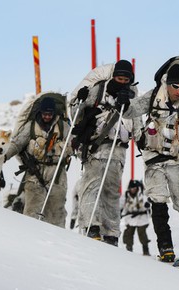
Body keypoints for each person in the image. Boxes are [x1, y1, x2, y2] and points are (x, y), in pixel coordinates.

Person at [117, 59, 179, 273]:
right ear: (168, 83)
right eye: (175, 87)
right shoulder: (154, 95)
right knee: (158, 200)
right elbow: (131, 111)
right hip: (154, 159)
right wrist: (124, 101)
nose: (178, 91)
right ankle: (165, 248)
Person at [71, 59, 142, 246]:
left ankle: (111, 233)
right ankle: (90, 226)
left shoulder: (134, 97)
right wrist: (80, 98)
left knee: (111, 191)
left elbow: (137, 123)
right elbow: (75, 114)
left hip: (118, 149)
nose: (123, 82)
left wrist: (142, 138)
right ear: (113, 76)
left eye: (126, 79)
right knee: (91, 186)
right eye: (119, 77)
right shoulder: (99, 90)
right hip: (96, 145)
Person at [5, 95, 71, 228]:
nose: (47, 117)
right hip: (35, 172)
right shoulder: (31, 127)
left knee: (56, 212)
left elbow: (73, 144)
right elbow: (17, 144)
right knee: (31, 212)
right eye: (45, 114)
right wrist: (3, 157)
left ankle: (58, 242)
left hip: (57, 173)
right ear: (40, 112)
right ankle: (30, 239)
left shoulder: (63, 126)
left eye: (50, 114)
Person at [121, 180, 151, 256]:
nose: (133, 190)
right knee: (128, 233)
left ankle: (146, 251)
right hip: (130, 218)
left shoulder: (142, 194)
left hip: (141, 218)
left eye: (134, 188)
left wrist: (146, 205)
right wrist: (120, 212)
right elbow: (121, 205)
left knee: (142, 234)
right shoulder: (126, 195)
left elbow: (146, 202)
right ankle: (129, 250)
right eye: (131, 188)